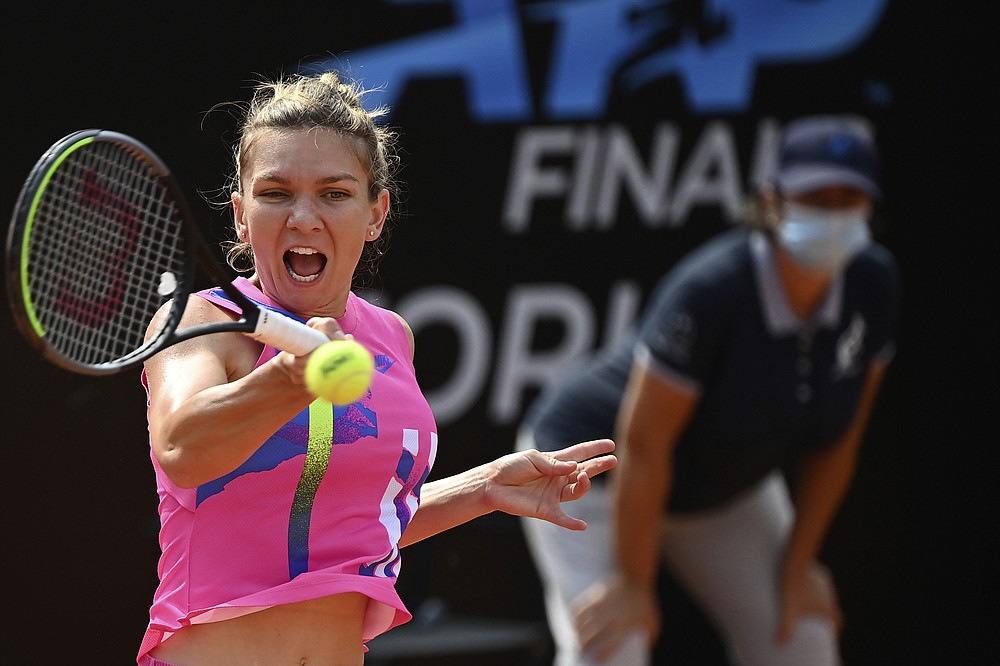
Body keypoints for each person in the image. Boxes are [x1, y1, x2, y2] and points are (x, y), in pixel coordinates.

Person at [136, 70, 617, 666]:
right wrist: (290, 379)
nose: (304, 218)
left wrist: (484, 488)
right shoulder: (199, 321)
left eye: (335, 193)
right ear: (240, 215)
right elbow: (182, 446)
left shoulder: (392, 338)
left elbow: (365, 524)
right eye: (275, 192)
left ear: (375, 214)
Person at [517, 115, 901, 666]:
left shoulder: (874, 285)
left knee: (804, 636)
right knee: (614, 647)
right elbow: (644, 446)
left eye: (849, 198)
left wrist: (800, 566)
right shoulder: (712, 291)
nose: (833, 213)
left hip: (724, 490)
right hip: (596, 470)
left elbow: (838, 443)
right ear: (772, 201)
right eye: (816, 196)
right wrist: (632, 581)